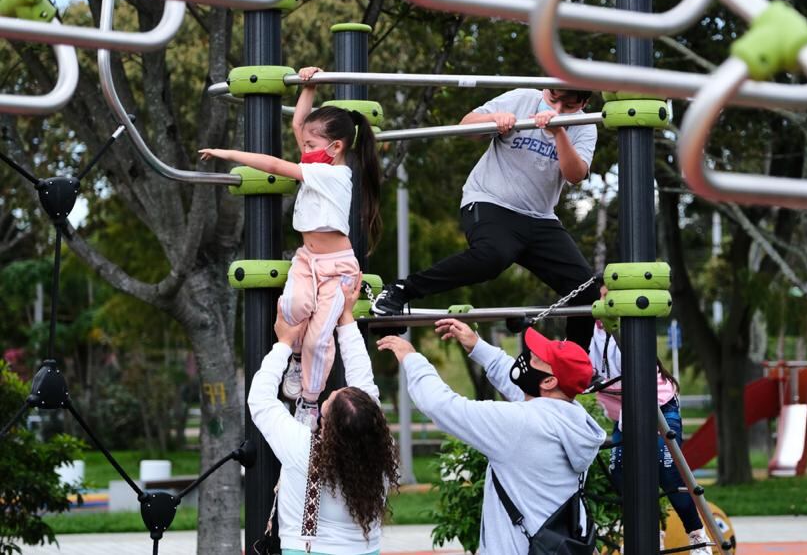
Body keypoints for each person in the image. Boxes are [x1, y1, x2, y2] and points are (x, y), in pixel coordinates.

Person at [201, 66, 383, 427]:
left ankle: (310, 404)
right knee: (293, 307)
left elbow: (273, 164)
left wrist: (228, 152)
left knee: (319, 339)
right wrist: (308, 88)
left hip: (338, 268)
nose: (304, 148)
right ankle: (296, 361)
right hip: (307, 259)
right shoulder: (320, 160)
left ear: (336, 148)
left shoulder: (332, 173)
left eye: (311, 146)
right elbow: (299, 124)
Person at [371, 88, 601, 350]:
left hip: (540, 218)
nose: (558, 109)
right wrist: (494, 120)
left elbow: (574, 174)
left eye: (569, 106)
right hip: (490, 202)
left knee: (587, 292)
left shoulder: (584, 125)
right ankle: (402, 290)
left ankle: (573, 364)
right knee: (493, 256)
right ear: (546, 90)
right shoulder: (521, 99)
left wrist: (558, 130)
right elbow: (465, 127)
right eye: (554, 100)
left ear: (583, 103)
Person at [377, 317, 606, 555]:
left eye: (536, 358)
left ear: (549, 381)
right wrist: (477, 346)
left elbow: (441, 405)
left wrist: (411, 358)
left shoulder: (522, 425)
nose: (527, 358)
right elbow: (522, 390)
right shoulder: (573, 420)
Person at [248, 272, 399, 555]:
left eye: (325, 406)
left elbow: (260, 400)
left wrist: (283, 343)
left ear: (328, 427)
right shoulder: (382, 450)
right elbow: (362, 380)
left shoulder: (303, 449)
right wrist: (346, 317)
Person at [589, 313, 711, 554]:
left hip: (659, 404)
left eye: (608, 295)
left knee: (667, 470)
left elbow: (636, 375)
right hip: (625, 411)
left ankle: (697, 535)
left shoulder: (626, 329)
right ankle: (650, 531)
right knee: (619, 469)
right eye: (600, 295)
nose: (604, 302)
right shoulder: (588, 332)